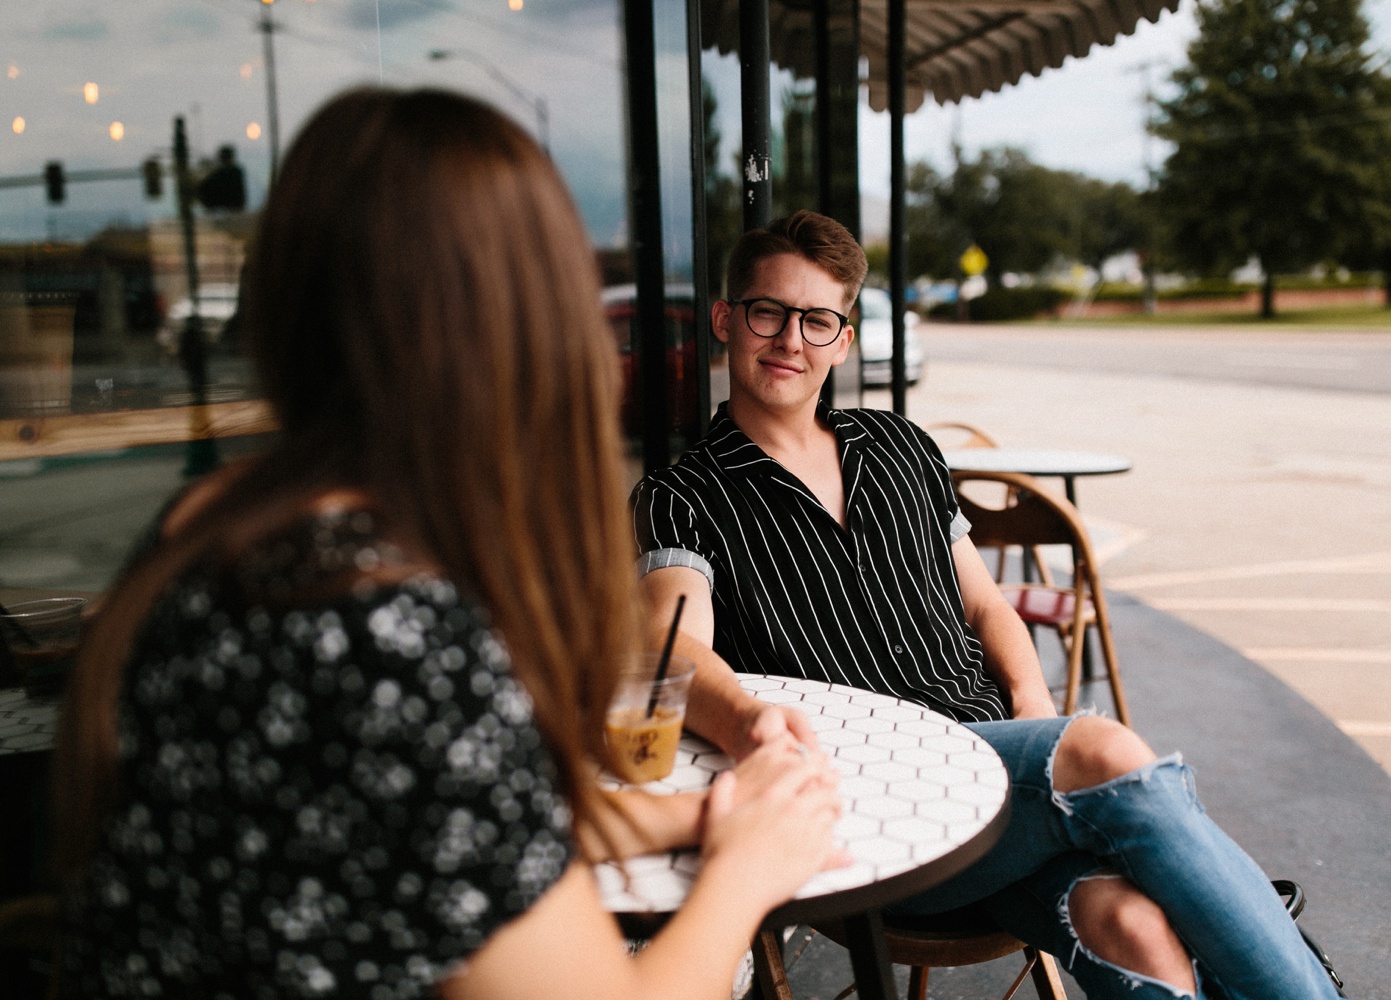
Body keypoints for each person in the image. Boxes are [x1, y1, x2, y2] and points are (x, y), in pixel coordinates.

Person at [50, 89, 843, 1000]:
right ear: (530, 330)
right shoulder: (398, 638)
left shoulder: (209, 521)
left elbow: (445, 827)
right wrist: (748, 873)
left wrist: (706, 816)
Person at [631, 210, 1345, 1000]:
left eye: (817, 319)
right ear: (728, 319)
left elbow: (987, 606)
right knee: (1105, 752)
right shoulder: (681, 495)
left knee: (1135, 927)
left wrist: (1037, 716)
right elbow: (673, 649)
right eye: (769, 312)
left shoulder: (903, 447)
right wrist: (748, 720)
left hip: (996, 776)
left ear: (843, 338)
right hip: (871, 809)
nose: (790, 340)